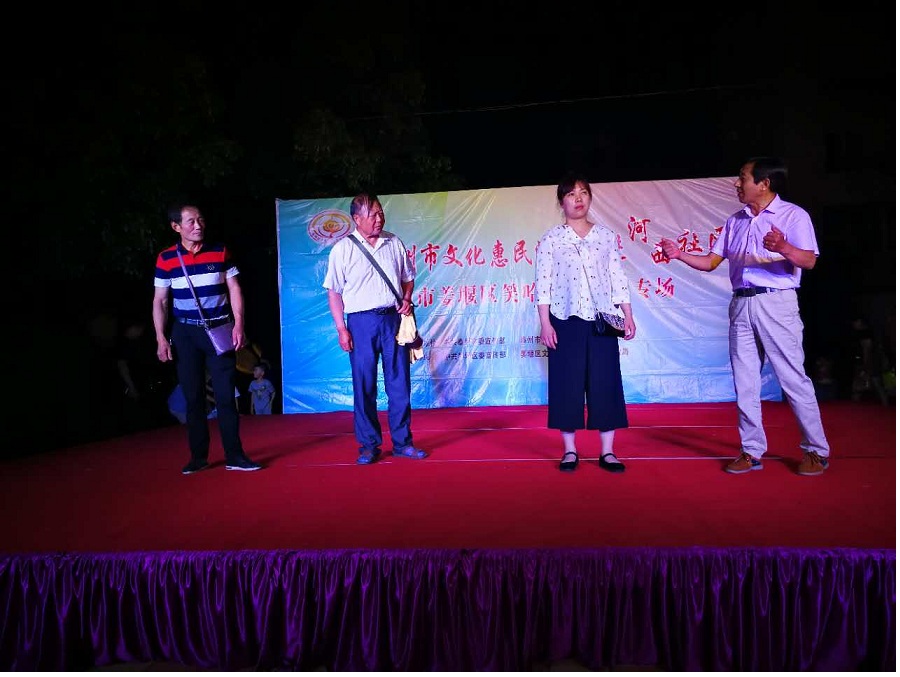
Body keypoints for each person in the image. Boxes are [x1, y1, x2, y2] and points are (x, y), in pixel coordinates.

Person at [660, 156, 831, 476]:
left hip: (776, 302)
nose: (737, 183)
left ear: (764, 184)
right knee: (745, 382)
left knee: (792, 378)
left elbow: (808, 261)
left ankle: (815, 451)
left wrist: (784, 247)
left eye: (743, 177)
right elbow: (711, 262)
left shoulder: (793, 215)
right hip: (741, 304)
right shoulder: (735, 221)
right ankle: (751, 451)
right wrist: (680, 254)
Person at [535, 174, 636, 474]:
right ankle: (570, 450)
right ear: (561, 202)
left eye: (583, 193)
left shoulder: (605, 236)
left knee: (605, 382)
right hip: (565, 320)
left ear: (590, 198)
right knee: (566, 384)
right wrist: (545, 323)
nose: (578, 198)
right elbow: (543, 283)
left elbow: (617, 276)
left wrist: (628, 314)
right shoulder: (552, 239)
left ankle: (608, 452)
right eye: (571, 194)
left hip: (602, 320)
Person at [152, 203, 262, 474]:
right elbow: (160, 301)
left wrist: (239, 325)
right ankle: (198, 457)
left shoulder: (220, 251)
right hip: (185, 333)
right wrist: (160, 338)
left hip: (219, 330)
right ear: (176, 227)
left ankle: (235, 455)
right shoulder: (166, 259)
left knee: (225, 396)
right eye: (190, 221)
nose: (198, 225)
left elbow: (234, 288)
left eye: (200, 219)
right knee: (193, 397)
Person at [323, 192, 427, 464]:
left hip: (392, 320)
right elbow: (334, 292)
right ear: (357, 219)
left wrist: (406, 299)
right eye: (373, 214)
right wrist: (341, 329)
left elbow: (408, 278)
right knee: (364, 385)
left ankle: (403, 443)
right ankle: (369, 445)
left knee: (399, 383)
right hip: (360, 323)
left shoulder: (393, 242)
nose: (379, 218)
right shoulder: (343, 249)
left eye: (381, 212)